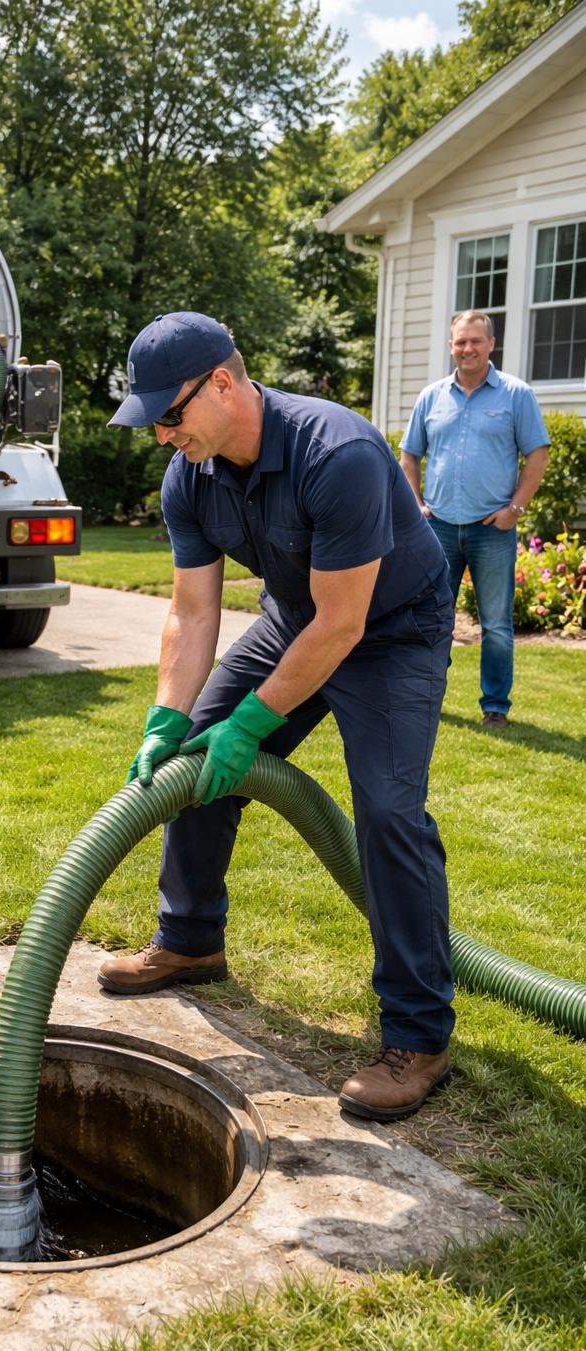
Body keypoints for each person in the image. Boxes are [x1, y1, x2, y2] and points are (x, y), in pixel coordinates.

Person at [98, 311, 457, 1123]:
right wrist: (166, 719)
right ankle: (191, 940)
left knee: (390, 813)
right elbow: (193, 612)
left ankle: (419, 1035)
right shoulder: (191, 475)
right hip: (300, 616)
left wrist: (253, 724)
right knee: (194, 759)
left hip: (393, 628)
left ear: (222, 384)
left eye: (170, 413)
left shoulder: (340, 455)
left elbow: (345, 625)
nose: (161, 435)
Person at [400, 310, 550, 729]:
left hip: (492, 531)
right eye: (460, 342)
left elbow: (537, 454)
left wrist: (514, 510)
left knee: (497, 625)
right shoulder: (431, 397)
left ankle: (495, 708)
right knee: (432, 619)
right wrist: (416, 505)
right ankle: (427, 698)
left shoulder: (516, 395)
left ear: (491, 344)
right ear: (451, 346)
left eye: (475, 341)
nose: (467, 349)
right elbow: (409, 454)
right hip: (438, 529)